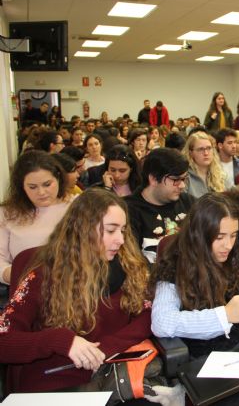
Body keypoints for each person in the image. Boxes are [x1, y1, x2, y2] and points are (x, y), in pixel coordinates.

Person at [0, 188, 151, 393]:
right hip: (55, 380)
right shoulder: (43, 273)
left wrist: (103, 349)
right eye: (110, 230)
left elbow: (148, 315)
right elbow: (4, 340)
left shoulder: (128, 265)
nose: (121, 240)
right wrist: (60, 340)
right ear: (82, 229)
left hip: (109, 376)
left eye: (123, 230)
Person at [151, 193, 239, 357]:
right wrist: (225, 315)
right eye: (219, 237)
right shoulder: (175, 265)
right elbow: (162, 323)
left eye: (233, 235)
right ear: (199, 235)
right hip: (208, 355)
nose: (228, 245)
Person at [0, 151, 73, 285]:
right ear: (21, 187)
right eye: (32, 187)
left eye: (47, 184)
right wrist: (15, 275)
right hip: (25, 286)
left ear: (58, 178)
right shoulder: (7, 213)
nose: (41, 192)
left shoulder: (75, 206)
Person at [125, 148, 194, 264]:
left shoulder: (189, 203)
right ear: (153, 179)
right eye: (176, 180)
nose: (182, 185)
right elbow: (131, 261)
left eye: (184, 179)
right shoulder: (128, 210)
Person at [183, 131, 225, 198]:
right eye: (200, 149)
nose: (206, 153)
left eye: (209, 148)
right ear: (191, 153)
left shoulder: (218, 174)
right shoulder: (184, 177)